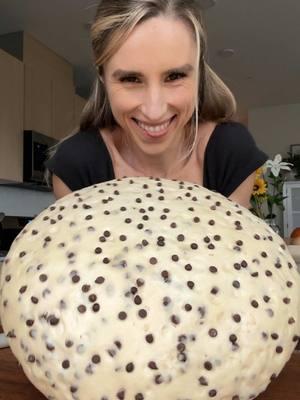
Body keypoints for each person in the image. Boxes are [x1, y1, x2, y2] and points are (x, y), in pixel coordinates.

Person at [46, 0, 268, 208]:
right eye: (130, 79)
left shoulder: (230, 154)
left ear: (198, 73)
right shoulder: (76, 167)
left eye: (175, 76)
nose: (154, 111)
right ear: (103, 77)